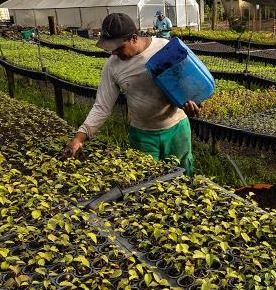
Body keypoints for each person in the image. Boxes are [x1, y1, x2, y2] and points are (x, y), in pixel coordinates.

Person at [63, 13, 201, 174]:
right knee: (148, 182)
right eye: (111, 49)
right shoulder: (112, 67)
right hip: (143, 136)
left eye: (119, 48)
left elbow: (190, 82)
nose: (114, 53)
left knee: (185, 175)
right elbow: (102, 107)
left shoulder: (165, 48)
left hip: (177, 128)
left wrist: (193, 101)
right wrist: (79, 138)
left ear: (134, 38)